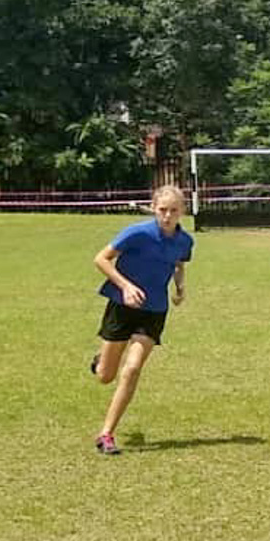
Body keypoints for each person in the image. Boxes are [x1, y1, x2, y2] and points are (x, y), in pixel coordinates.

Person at [89, 185, 195, 456]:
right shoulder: (137, 233)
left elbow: (179, 263)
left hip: (154, 310)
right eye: (162, 210)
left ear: (183, 211)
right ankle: (100, 361)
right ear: (153, 208)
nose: (168, 216)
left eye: (174, 210)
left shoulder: (185, 241)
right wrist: (125, 286)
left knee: (133, 368)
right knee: (105, 376)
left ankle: (106, 434)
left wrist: (180, 287)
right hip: (122, 306)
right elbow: (101, 259)